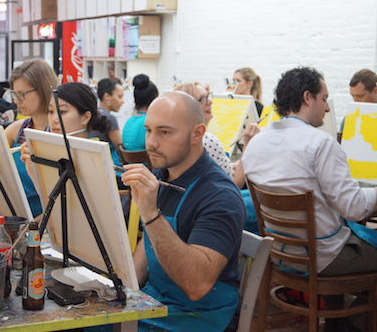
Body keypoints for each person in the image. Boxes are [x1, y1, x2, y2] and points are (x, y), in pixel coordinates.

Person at [242, 67, 377, 331]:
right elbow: (354, 207)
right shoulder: (320, 144)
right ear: (308, 98)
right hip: (322, 258)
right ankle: (359, 323)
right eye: (324, 99)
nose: (327, 109)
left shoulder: (256, 144)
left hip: (280, 254)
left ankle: (342, 322)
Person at [121, 91, 245, 331]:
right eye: (148, 130)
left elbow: (197, 285)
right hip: (156, 302)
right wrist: (122, 288)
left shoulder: (219, 197)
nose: (151, 143)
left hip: (199, 316)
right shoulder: (163, 175)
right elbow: (149, 248)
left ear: (197, 133)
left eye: (164, 132)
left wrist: (150, 214)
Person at [5, 59, 58, 217]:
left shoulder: (59, 134)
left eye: (22, 94)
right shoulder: (16, 130)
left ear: (43, 89)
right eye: (15, 94)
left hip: (49, 223)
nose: (17, 100)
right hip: (15, 216)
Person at [173, 82, 235, 180]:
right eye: (202, 99)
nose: (210, 102)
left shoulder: (175, 137)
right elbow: (232, 182)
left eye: (208, 96)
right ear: (188, 107)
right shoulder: (207, 139)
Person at [90, 78, 124, 169]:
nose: (123, 101)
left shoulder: (90, 115)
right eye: (120, 97)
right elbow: (120, 148)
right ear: (107, 97)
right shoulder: (110, 119)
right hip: (111, 167)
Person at [122, 74, 158, 151]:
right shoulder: (150, 123)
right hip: (146, 162)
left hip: (129, 162)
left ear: (135, 100)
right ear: (155, 100)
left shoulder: (129, 121)